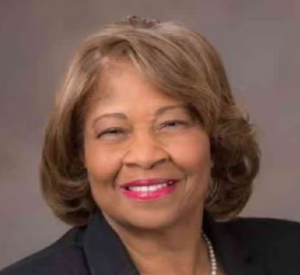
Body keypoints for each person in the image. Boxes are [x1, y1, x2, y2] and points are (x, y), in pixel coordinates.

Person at [1, 15, 300, 275]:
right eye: (113, 131)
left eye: (171, 124)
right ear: (80, 153)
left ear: (216, 138)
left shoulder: (290, 252)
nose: (145, 156)